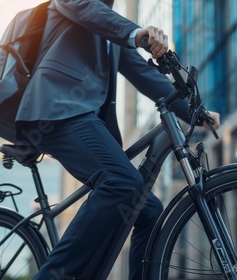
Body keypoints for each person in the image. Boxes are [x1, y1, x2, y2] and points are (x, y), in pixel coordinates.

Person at [16, 0, 220, 279]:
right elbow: (88, 9)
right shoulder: (84, 7)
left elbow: (146, 74)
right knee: (123, 182)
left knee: (148, 210)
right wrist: (138, 34)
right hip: (55, 111)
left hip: (81, 118)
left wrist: (196, 111)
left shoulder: (110, 25)